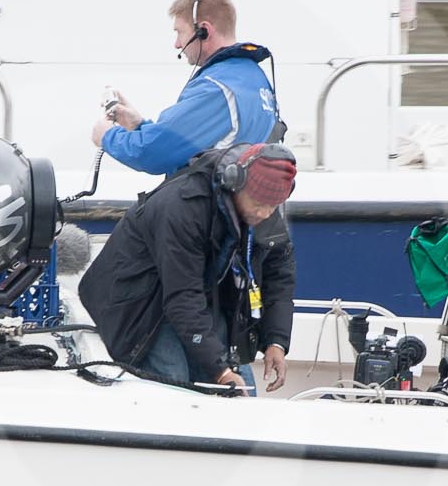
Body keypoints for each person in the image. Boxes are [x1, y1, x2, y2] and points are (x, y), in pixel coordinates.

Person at [78, 142, 299, 393]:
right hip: (138, 302)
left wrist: (276, 341)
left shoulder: (265, 208)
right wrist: (221, 370)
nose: (264, 213)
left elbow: (279, 279)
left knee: (242, 390)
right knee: (175, 381)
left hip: (196, 295)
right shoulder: (182, 208)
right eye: (258, 203)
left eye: (273, 206)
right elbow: (182, 296)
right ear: (235, 182)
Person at [91, 0, 281, 175]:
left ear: (204, 31)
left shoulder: (216, 88)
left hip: (210, 203)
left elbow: (154, 153)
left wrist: (108, 136)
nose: (177, 44)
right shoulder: (254, 78)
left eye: (179, 32)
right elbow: (193, 143)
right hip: (239, 200)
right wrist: (138, 125)